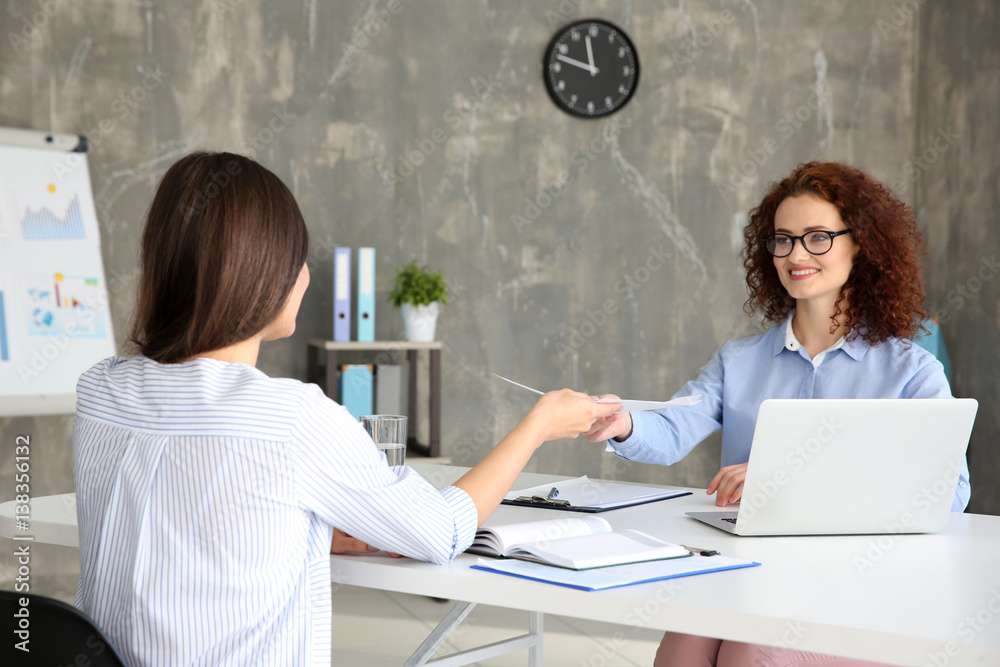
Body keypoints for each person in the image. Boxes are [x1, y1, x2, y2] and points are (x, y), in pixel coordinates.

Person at [73, 150, 620, 666]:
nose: (305, 276)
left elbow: (188, 516)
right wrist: (540, 424)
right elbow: (440, 533)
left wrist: (308, 526)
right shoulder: (291, 417)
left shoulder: (98, 390)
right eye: (296, 260)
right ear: (258, 274)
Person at [583, 161, 970, 667]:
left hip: (859, 585)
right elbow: (676, 425)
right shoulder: (739, 360)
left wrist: (787, 477)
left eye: (817, 237)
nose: (795, 254)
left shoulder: (912, 372)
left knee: (747, 653)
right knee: (681, 650)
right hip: (745, 570)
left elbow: (950, 491)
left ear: (862, 244)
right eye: (783, 239)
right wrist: (623, 422)